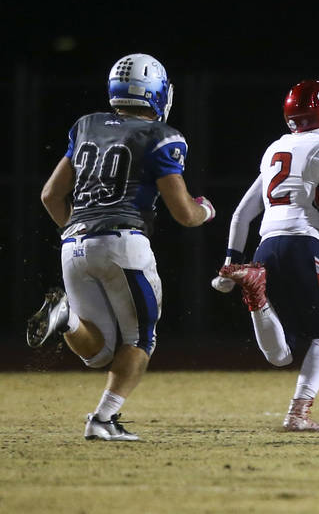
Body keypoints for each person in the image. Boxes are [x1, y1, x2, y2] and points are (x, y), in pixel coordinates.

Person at [29, 53, 216, 441]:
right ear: (157, 92)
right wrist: (206, 211)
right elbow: (183, 213)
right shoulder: (161, 136)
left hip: (73, 244)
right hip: (123, 242)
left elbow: (50, 195)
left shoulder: (87, 125)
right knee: (140, 340)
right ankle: (102, 419)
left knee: (98, 352)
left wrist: (80, 231)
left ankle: (66, 319)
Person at [215, 79, 319, 432]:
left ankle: (256, 295)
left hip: (265, 248)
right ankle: (298, 414)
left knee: (280, 356)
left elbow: (241, 215)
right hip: (305, 246)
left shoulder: (277, 147)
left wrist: (231, 263)